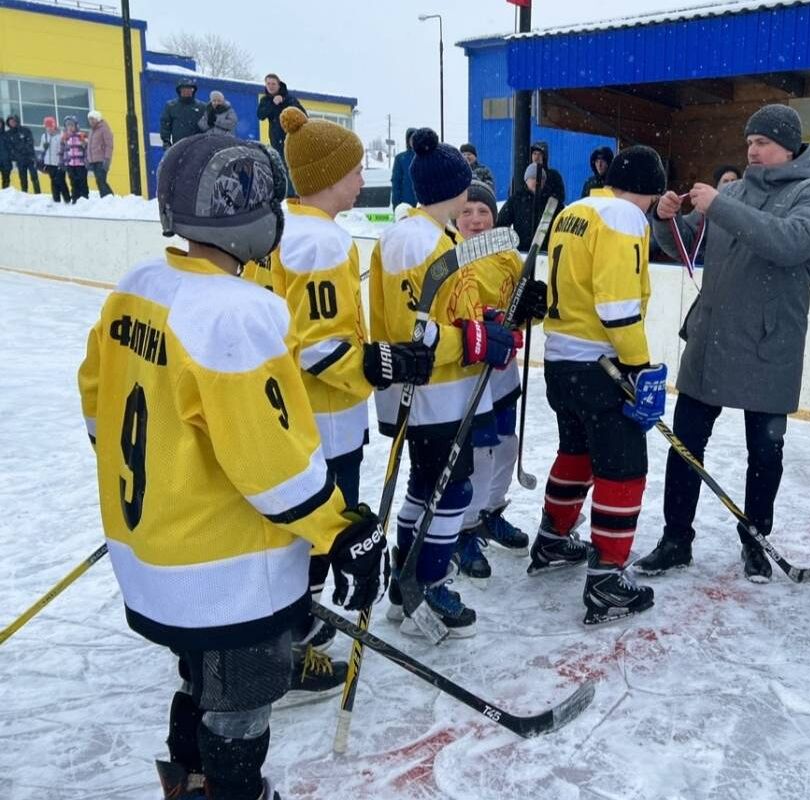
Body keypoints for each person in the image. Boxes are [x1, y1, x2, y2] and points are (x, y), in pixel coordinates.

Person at [77, 133, 387, 799]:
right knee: (240, 701)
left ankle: (188, 783)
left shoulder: (138, 287)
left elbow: (98, 406)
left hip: (152, 552)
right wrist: (343, 529)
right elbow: (271, 463)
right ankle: (232, 791)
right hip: (224, 572)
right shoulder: (234, 314)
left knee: (199, 678)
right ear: (246, 217)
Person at [270, 107, 436, 680]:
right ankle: (292, 643)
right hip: (326, 417)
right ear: (326, 176)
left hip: (289, 413)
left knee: (295, 526)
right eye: (356, 169)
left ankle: (291, 623)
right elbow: (318, 348)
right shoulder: (320, 244)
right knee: (322, 528)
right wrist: (381, 363)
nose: (363, 177)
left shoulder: (284, 227)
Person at [639, 103, 810, 583]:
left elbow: (787, 242)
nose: (752, 149)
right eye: (749, 141)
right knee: (685, 446)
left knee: (764, 454)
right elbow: (682, 242)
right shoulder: (734, 190)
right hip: (712, 340)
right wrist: (664, 219)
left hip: (770, 346)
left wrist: (721, 204)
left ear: (788, 145)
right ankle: (675, 540)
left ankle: (756, 541)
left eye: (762, 141)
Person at [371, 129, 521, 637]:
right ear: (455, 190)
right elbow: (418, 330)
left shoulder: (421, 234)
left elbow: (444, 312)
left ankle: (405, 585)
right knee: (450, 492)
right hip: (433, 393)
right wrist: (476, 340)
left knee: (425, 486)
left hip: (431, 391)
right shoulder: (420, 240)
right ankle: (427, 587)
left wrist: (487, 320)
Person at [530, 145, 668, 625]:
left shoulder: (576, 209)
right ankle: (608, 578)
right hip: (600, 364)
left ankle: (551, 539)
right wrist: (639, 366)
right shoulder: (625, 217)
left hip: (560, 360)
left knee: (577, 454)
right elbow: (617, 305)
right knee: (623, 467)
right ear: (647, 191)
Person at [452, 180, 545, 580]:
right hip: (471, 372)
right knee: (481, 452)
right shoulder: (449, 257)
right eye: (468, 211)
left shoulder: (506, 255)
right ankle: (465, 529)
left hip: (504, 370)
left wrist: (533, 308)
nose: (476, 219)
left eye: (484, 211)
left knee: (507, 446)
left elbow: (521, 309)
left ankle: (491, 511)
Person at [257, 74, 305, 195]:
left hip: (292, 139)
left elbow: (303, 115)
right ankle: (284, 195)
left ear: (279, 84)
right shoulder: (265, 100)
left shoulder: (290, 98)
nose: (271, 86)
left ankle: (295, 194)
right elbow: (260, 115)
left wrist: (283, 102)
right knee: (280, 169)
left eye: (273, 84)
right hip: (276, 140)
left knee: (293, 167)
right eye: (268, 84)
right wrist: (273, 104)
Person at [497, 163, 560, 251]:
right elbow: (500, 224)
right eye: (533, 178)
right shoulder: (517, 199)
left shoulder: (552, 201)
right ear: (526, 180)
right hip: (521, 252)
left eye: (541, 179)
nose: (537, 181)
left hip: (546, 253)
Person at [159, 77, 205, 148]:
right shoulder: (171, 106)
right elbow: (165, 125)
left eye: (190, 89)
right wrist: (166, 142)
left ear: (193, 91)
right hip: (178, 146)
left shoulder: (202, 107)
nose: (187, 91)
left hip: (197, 146)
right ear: (179, 91)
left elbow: (207, 126)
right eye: (184, 89)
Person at [4, 115, 41, 194]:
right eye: (10, 122)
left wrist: (22, 149)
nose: (12, 123)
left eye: (13, 121)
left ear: (17, 121)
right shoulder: (8, 134)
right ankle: (24, 194)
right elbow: (9, 148)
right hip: (20, 160)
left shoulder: (25, 130)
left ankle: (38, 194)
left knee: (34, 176)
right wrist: (15, 156)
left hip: (30, 157)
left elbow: (30, 141)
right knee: (23, 178)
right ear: (8, 124)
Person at [39, 117, 69, 203]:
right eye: (47, 127)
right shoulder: (44, 136)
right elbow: (41, 149)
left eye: (50, 126)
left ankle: (67, 199)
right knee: (53, 181)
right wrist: (44, 148)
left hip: (59, 162)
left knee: (61, 181)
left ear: (54, 126)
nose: (49, 129)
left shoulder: (60, 135)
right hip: (49, 162)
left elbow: (65, 148)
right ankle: (56, 199)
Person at [59, 116, 89, 202]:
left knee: (82, 181)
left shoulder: (81, 135)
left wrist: (84, 143)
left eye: (72, 125)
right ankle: (75, 198)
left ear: (76, 126)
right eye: (68, 125)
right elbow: (62, 151)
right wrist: (62, 162)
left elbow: (87, 148)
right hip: (70, 164)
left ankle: (84, 198)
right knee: (73, 181)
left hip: (81, 164)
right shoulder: (65, 137)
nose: (70, 127)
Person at [85, 110, 114, 198]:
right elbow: (90, 146)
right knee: (99, 180)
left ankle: (108, 197)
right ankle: (107, 197)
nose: (91, 122)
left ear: (97, 119)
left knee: (101, 180)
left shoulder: (104, 129)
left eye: (92, 119)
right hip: (94, 160)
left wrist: (107, 159)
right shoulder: (92, 131)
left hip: (102, 159)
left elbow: (109, 145)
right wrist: (89, 160)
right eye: (89, 120)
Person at [530, 141, 566, 206]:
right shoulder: (523, 175)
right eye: (534, 153)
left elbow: (560, 197)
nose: (536, 157)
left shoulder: (553, 176)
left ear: (544, 157)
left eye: (540, 154)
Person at [390, 127, 418, 209]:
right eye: (411, 138)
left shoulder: (424, 157)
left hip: (423, 206)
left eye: (416, 138)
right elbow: (396, 183)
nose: (413, 141)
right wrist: (397, 205)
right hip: (406, 207)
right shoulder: (400, 158)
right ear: (407, 140)